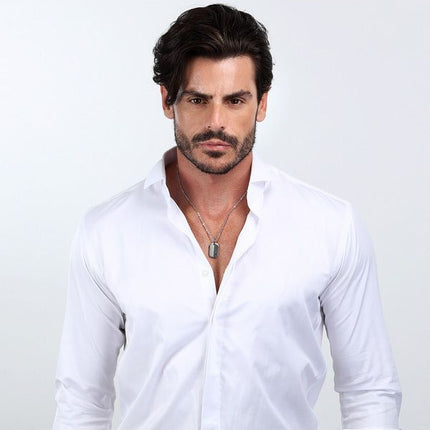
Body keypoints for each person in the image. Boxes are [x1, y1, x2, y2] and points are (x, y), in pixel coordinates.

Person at [53, 4, 401, 430]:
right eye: (198, 99)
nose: (216, 122)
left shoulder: (331, 228)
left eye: (235, 100)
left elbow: (369, 391)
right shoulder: (106, 234)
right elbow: (82, 403)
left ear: (262, 103)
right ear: (167, 100)